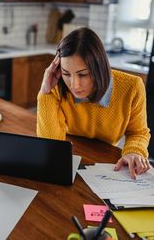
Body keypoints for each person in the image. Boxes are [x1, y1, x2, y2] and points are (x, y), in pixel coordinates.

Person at [37, 27, 151, 179]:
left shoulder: (132, 87)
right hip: (72, 157)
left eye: (83, 74)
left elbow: (138, 132)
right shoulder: (58, 86)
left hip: (107, 164)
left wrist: (133, 151)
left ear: (100, 68)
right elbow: (51, 145)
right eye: (66, 74)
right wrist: (46, 93)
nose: (74, 85)